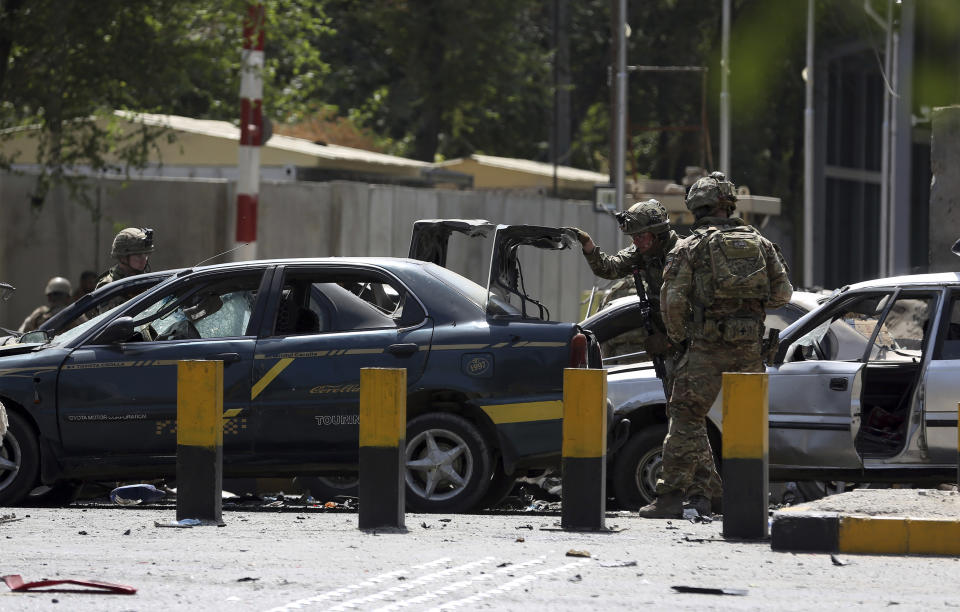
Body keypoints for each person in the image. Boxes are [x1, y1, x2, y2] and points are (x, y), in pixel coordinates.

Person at [638, 171, 793, 518]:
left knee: (685, 417)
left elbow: (673, 301)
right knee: (746, 425)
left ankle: (670, 497)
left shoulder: (691, 246)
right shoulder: (761, 243)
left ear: (696, 207)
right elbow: (783, 295)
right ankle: (736, 498)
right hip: (750, 350)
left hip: (706, 347)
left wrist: (680, 338)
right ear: (730, 205)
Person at [571, 199, 681, 381]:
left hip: (689, 346)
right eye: (633, 237)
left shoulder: (684, 253)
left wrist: (671, 342)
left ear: (658, 233)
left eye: (641, 236)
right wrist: (587, 244)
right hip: (665, 345)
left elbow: (695, 309)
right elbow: (610, 268)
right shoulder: (643, 251)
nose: (636, 242)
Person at [94, 227, 155, 314]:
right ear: (123, 257)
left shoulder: (148, 281)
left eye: (146, 254)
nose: (144, 259)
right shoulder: (109, 286)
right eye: (138, 255)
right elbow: (109, 322)